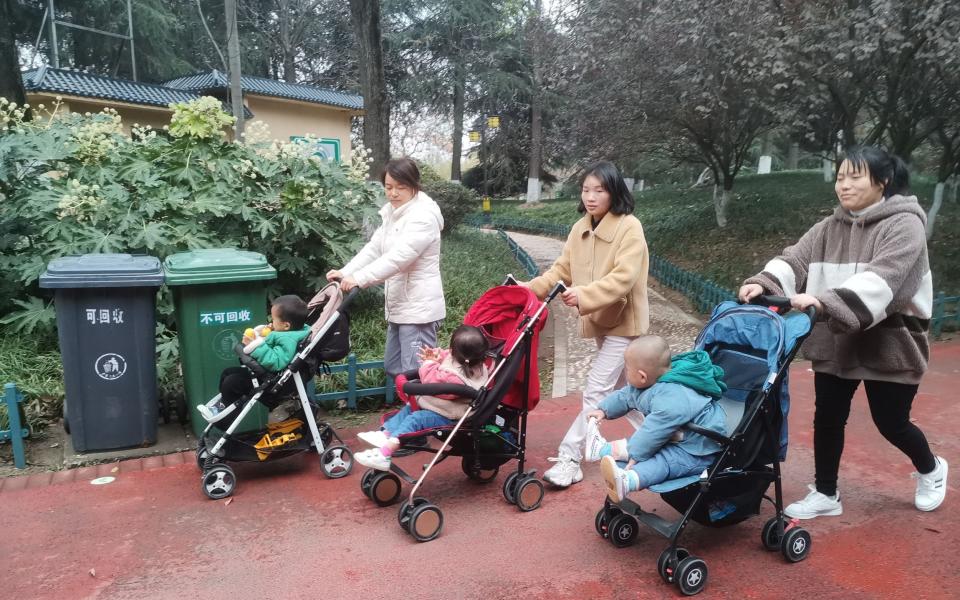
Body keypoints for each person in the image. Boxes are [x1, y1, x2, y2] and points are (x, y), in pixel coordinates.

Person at [739, 145, 947, 518]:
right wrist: (763, 281)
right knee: (828, 417)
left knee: (892, 422)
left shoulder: (905, 224)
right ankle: (826, 492)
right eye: (839, 177)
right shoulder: (829, 227)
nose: (844, 185)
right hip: (838, 341)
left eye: (854, 176)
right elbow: (795, 259)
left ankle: (931, 468)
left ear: (882, 182)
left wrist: (822, 302)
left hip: (891, 342)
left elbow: (883, 281)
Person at [523, 161, 650, 487]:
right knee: (626, 392)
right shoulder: (580, 228)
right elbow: (559, 271)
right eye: (586, 189)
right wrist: (526, 289)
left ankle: (570, 457)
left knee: (596, 389)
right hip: (601, 320)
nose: (591, 196)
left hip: (625, 323)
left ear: (614, 191)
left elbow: (624, 278)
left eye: (600, 190)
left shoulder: (629, 227)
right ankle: (667, 436)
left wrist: (584, 294)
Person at [326, 157, 445, 380]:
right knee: (394, 368)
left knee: (416, 374)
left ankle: (422, 415)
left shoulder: (423, 217)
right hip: (401, 305)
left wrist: (360, 278)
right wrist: (346, 271)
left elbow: (399, 258)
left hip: (419, 309)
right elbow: (374, 249)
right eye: (388, 187)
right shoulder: (393, 213)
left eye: (401, 187)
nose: (393, 193)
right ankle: (409, 412)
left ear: (414, 185)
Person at [577, 336, 727, 502]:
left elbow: (654, 430)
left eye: (627, 369)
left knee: (663, 461)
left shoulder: (674, 396)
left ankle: (629, 480)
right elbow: (627, 396)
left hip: (697, 450)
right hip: (675, 437)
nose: (625, 373)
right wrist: (603, 410)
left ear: (642, 376)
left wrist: (636, 454)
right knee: (640, 443)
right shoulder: (652, 381)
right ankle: (600, 450)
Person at [354, 325, 491, 470]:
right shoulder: (476, 363)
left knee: (417, 418)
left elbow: (430, 380)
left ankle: (385, 454)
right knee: (410, 410)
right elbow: (448, 356)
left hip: (450, 416)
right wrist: (438, 355)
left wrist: (429, 362)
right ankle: (386, 433)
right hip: (443, 408)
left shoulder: (454, 378)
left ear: (453, 351)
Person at [198, 295, 311, 423]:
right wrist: (261, 336)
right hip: (265, 373)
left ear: (286, 326)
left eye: (273, 320)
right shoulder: (286, 332)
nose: (270, 323)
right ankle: (223, 404)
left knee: (232, 382)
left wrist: (256, 345)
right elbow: (271, 346)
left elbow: (277, 362)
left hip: (272, 380)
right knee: (227, 372)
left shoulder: (288, 340)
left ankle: (225, 419)